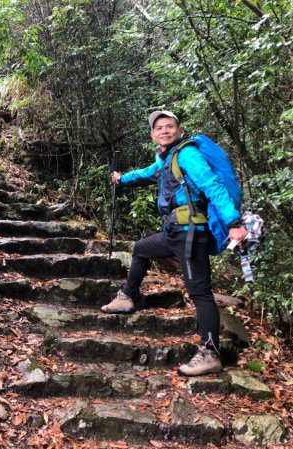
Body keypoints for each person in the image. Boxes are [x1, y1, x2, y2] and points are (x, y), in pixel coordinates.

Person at [100, 110, 247, 376]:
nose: (165, 130)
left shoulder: (187, 154)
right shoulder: (166, 159)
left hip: (191, 234)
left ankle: (210, 352)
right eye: (160, 128)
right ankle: (127, 297)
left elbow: (212, 185)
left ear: (179, 130)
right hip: (174, 233)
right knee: (142, 249)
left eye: (170, 126)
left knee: (200, 293)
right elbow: (146, 174)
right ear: (153, 135)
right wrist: (122, 179)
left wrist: (233, 223)